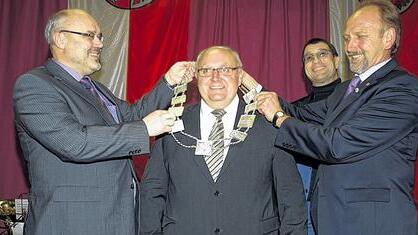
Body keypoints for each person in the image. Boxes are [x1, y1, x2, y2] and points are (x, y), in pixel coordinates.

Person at [13, 9, 191, 235]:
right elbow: (74, 143)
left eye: (100, 37)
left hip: (115, 220)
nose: (98, 43)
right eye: (89, 35)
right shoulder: (34, 85)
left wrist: (169, 81)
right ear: (60, 38)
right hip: (72, 224)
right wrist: (144, 129)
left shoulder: (94, 88)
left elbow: (133, 114)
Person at [254, 0, 418, 234]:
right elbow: (300, 113)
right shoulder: (347, 89)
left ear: (388, 38)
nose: (350, 46)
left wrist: (279, 118)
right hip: (336, 219)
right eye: (348, 37)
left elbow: (338, 145)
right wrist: (243, 82)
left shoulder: (403, 88)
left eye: (360, 36)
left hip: (373, 224)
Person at [140, 46, 307, 235]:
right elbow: (152, 192)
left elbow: (291, 197)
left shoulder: (270, 125)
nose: (215, 77)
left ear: (240, 75)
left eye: (225, 69)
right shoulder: (169, 124)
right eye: (206, 71)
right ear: (196, 76)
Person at [294, 38, 341, 235]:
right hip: (300, 212)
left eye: (323, 54)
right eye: (309, 58)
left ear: (337, 61)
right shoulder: (294, 110)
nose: (316, 61)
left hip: (339, 208)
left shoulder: (356, 100)